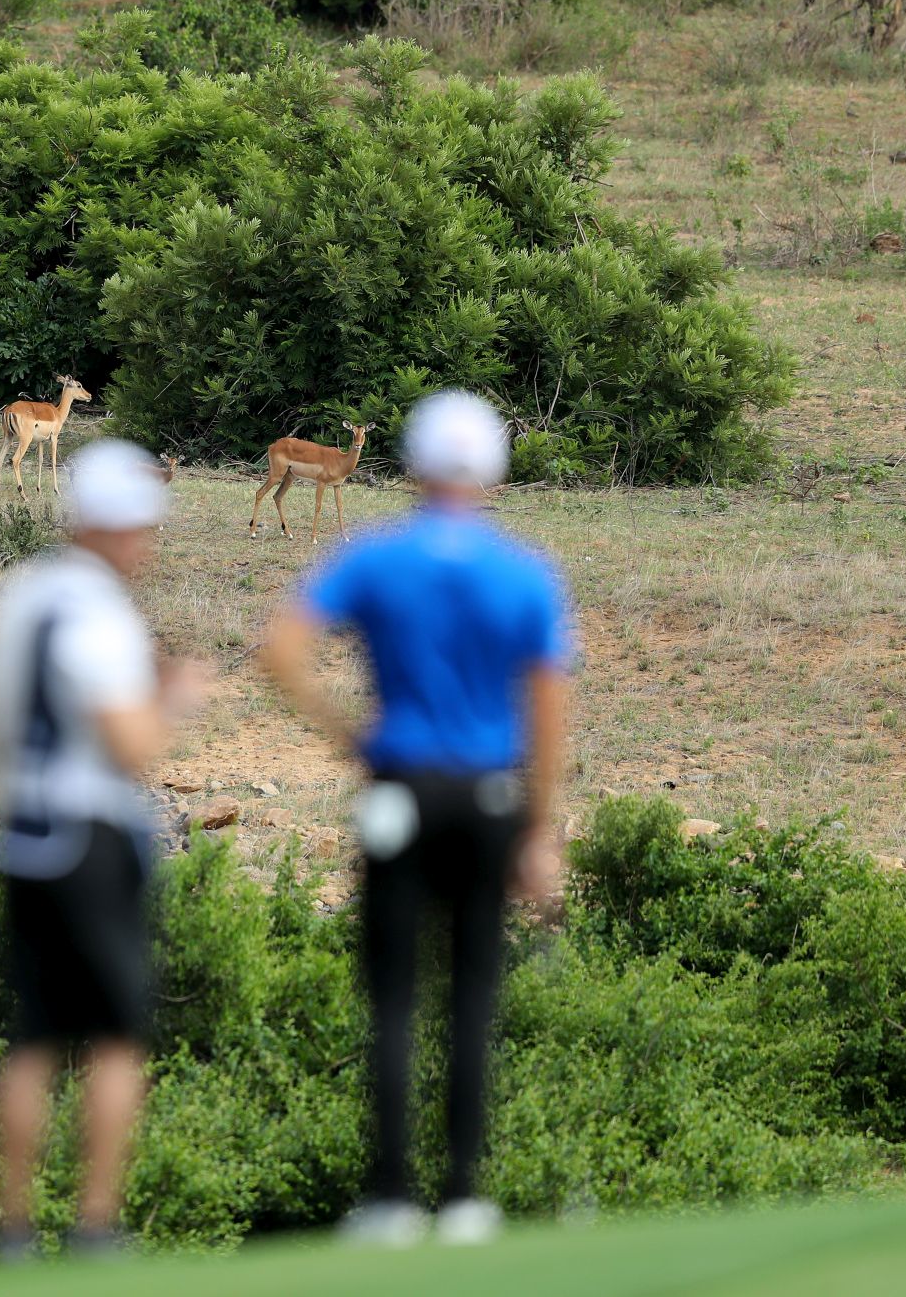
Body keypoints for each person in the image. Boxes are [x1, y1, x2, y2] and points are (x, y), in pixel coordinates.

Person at [258, 390, 573, 1248]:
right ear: (493, 470)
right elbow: (548, 709)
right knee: (473, 995)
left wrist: (353, 736)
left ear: (414, 463)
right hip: (485, 796)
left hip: (398, 787)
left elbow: (281, 652)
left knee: (393, 996)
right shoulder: (524, 570)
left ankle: (392, 1194)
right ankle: (465, 1196)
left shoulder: (377, 557)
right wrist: (537, 828)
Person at [0, 438, 210, 1261]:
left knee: (32, 1038)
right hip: (89, 836)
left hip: (18, 831)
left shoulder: (18, 595)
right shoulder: (97, 609)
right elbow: (131, 745)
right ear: (113, 527)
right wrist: (173, 698)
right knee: (115, 1036)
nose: (147, 543)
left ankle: (11, 1229)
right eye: (141, 527)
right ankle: (96, 1225)